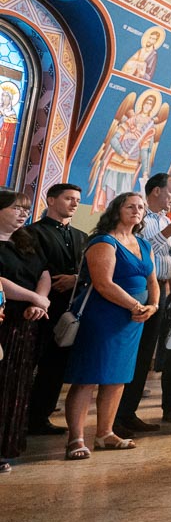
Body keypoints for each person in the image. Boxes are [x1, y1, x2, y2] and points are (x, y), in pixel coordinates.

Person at [63, 192, 159, 459]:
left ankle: (105, 433)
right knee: (88, 377)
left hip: (133, 320)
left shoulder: (143, 244)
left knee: (118, 378)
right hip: (104, 317)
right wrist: (135, 306)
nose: (137, 211)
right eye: (130, 206)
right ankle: (76, 438)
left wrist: (153, 305)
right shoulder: (104, 242)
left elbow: (152, 281)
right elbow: (104, 283)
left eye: (141, 207)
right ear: (117, 210)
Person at [113, 172, 171, 438]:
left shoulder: (166, 220)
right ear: (156, 191)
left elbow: (165, 258)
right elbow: (140, 251)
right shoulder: (141, 220)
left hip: (161, 288)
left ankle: (129, 413)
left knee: (145, 356)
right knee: (132, 353)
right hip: (139, 289)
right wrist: (167, 234)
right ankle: (117, 415)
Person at [24, 184, 88, 436]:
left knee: (56, 366)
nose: (74, 203)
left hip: (70, 310)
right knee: (30, 362)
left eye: (77, 200)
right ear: (51, 200)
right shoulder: (32, 233)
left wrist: (76, 277)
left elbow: (87, 270)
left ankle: (40, 416)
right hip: (40, 307)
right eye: (68, 198)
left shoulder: (82, 236)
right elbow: (32, 268)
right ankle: (20, 414)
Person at [0, 191, 50, 473]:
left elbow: (43, 272)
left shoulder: (26, 241)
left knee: (16, 388)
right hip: (4, 318)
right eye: (16, 208)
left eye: (26, 209)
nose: (23, 214)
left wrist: (39, 303)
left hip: (26, 322)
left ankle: (5, 448)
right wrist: (34, 299)